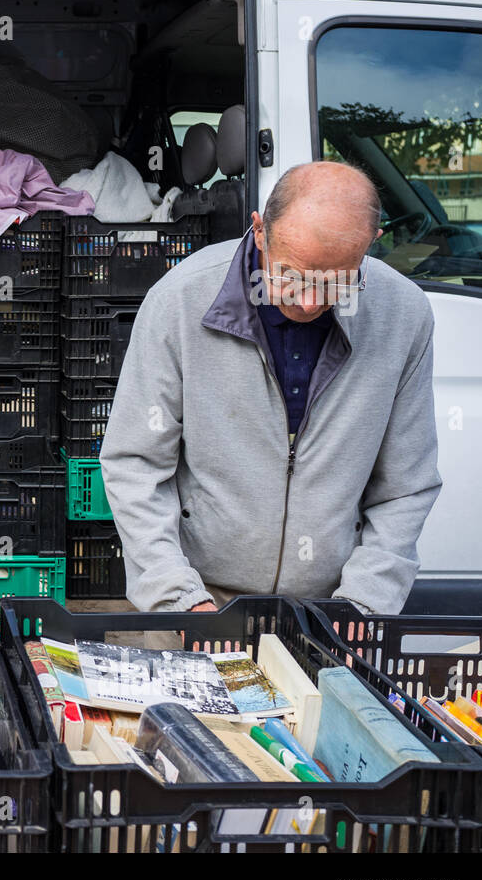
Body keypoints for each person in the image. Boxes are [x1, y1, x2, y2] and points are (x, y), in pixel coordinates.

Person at [99, 160, 440, 615]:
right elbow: (135, 463)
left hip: (333, 609)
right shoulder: (180, 300)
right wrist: (177, 598)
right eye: (293, 275)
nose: (310, 302)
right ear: (259, 231)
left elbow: (406, 485)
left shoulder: (404, 314)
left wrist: (364, 602)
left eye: (337, 281)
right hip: (200, 599)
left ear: (369, 245)